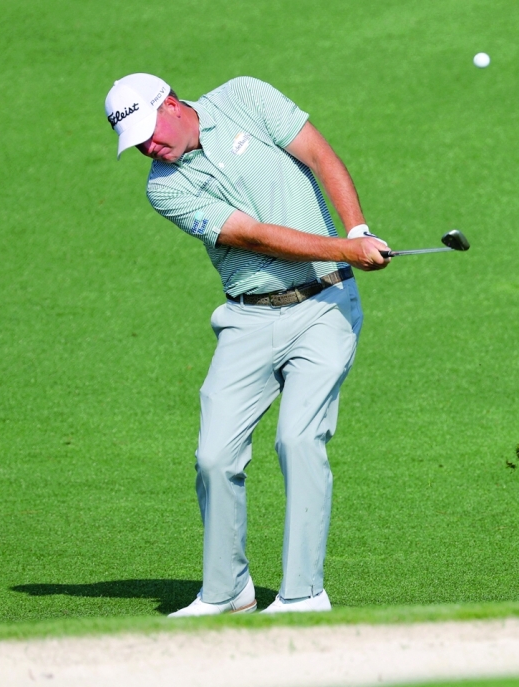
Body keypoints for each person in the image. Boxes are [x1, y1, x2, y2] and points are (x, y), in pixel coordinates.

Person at [104, 73, 389, 615]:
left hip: (324, 305)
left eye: (149, 131)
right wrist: (347, 249)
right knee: (213, 456)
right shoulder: (164, 187)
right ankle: (225, 591)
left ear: (170, 103)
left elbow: (322, 156)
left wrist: (355, 233)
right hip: (247, 321)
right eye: (136, 142)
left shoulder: (244, 97)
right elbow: (253, 235)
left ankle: (304, 594)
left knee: (298, 440)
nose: (148, 147)